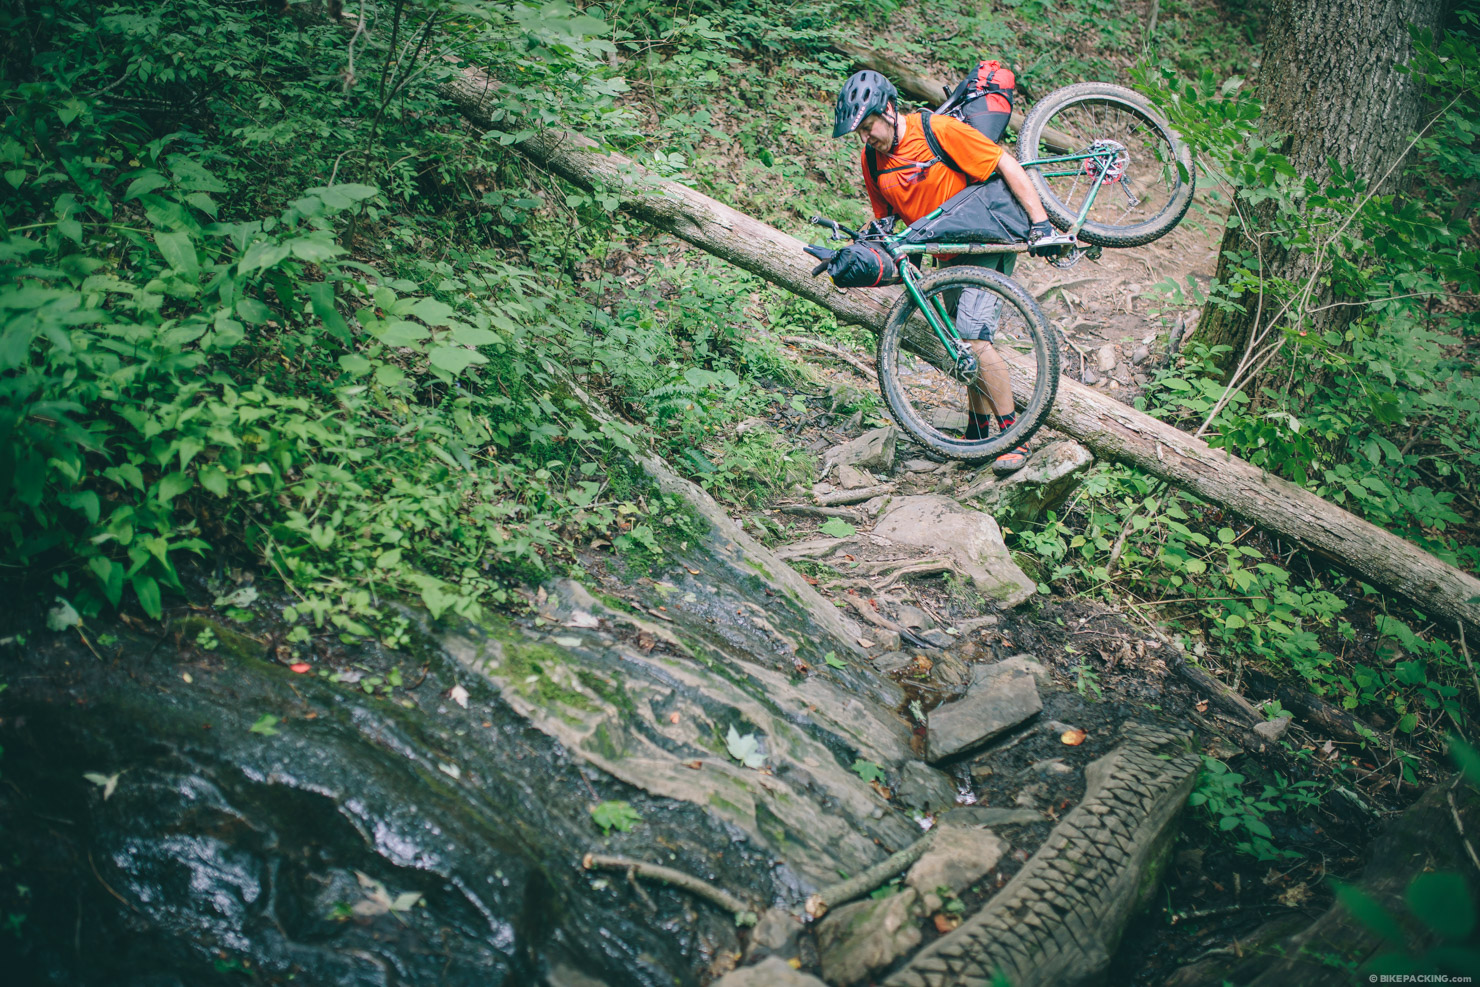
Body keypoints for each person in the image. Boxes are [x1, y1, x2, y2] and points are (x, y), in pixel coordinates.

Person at [832, 69, 1056, 472]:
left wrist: (1041, 223)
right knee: (963, 344)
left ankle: (1014, 436)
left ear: (888, 109)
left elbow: (1003, 162)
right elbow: (885, 224)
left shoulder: (936, 129)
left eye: (868, 127)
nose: (866, 138)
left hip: (986, 242)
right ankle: (977, 432)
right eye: (859, 133)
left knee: (974, 339)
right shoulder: (872, 160)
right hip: (945, 256)